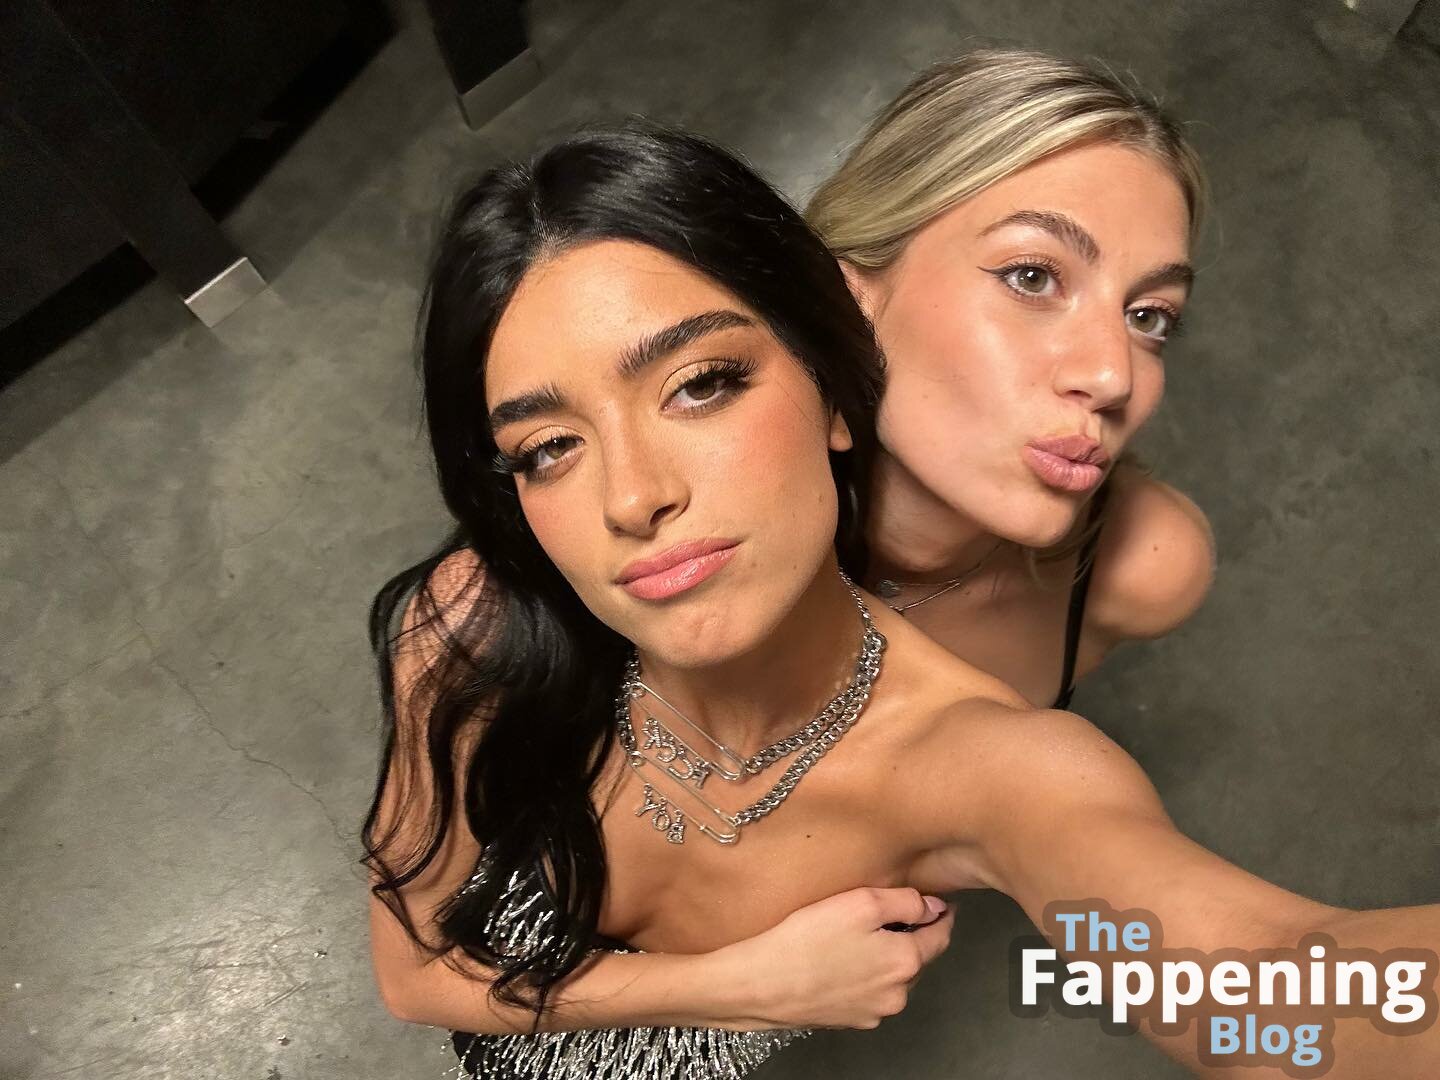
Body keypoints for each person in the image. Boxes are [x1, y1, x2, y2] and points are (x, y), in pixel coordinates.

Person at [364, 123, 1439, 1080]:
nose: (633, 497)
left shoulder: (988, 767)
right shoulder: (467, 630)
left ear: (833, 390)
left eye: (701, 384)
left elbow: (1271, 983)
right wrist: (744, 989)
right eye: (550, 448)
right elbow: (412, 981)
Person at [807, 48, 1216, 709]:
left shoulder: (1142, 569)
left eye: (1148, 316)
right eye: (1032, 277)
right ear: (849, 296)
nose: (1113, 375)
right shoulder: (674, 499)